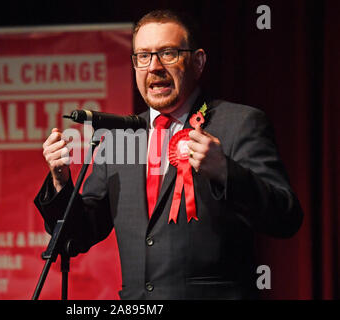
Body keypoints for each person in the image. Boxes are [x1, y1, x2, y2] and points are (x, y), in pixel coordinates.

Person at [34, 10, 303, 300]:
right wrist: (60, 180)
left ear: (198, 62)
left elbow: (285, 217)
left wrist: (226, 172)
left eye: (168, 53)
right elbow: (76, 237)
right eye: (144, 56)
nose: (155, 67)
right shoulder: (118, 138)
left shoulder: (239, 124)